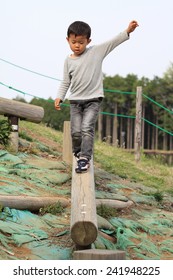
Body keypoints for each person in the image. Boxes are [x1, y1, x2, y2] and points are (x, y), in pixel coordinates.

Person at [55, 20, 139, 173]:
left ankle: (85, 158)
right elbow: (66, 81)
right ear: (68, 40)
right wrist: (59, 97)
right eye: (74, 42)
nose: (77, 45)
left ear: (88, 41)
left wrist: (127, 30)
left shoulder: (95, 52)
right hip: (75, 102)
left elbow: (113, 42)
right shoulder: (68, 61)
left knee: (87, 128)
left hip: (93, 100)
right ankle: (77, 152)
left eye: (81, 42)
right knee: (75, 132)